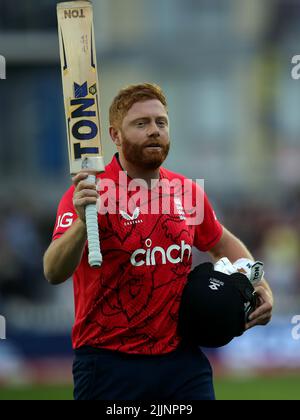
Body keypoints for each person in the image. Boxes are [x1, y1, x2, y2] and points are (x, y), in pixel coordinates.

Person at [43, 83, 273, 400]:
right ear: (115, 135)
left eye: (160, 122)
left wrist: (259, 284)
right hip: (109, 363)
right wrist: (83, 222)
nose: (154, 131)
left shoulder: (187, 191)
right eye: (141, 124)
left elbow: (223, 244)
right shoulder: (88, 194)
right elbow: (53, 271)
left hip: (182, 362)